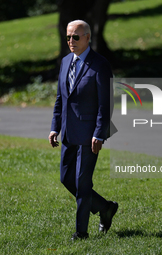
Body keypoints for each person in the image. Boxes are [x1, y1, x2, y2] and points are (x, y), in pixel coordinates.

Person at [49, 20, 118, 241]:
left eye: (75, 37)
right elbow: (61, 99)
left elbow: (106, 104)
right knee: (66, 178)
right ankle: (105, 207)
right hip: (69, 132)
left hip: (90, 135)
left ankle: (81, 233)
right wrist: (54, 127)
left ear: (88, 37)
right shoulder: (66, 61)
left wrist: (99, 133)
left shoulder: (100, 64)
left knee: (82, 182)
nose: (71, 41)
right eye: (68, 37)